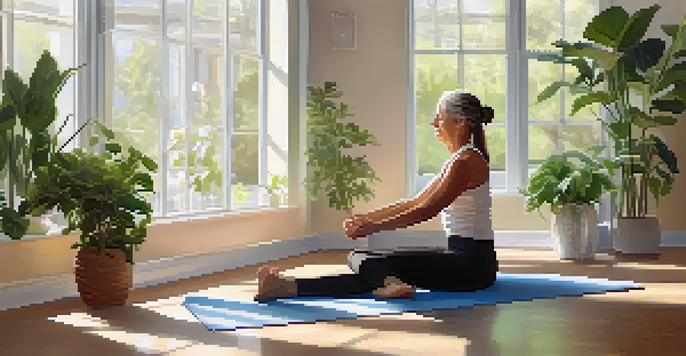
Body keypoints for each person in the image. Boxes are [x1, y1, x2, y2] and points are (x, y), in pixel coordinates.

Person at [254, 90, 497, 301]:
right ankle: (287, 287)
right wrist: (365, 218)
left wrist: (374, 227)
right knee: (367, 262)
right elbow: (414, 202)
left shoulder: (466, 161)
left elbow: (427, 210)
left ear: (460, 122)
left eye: (440, 117)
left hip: (470, 266)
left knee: (370, 263)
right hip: (468, 263)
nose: (434, 123)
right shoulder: (459, 160)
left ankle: (285, 287)